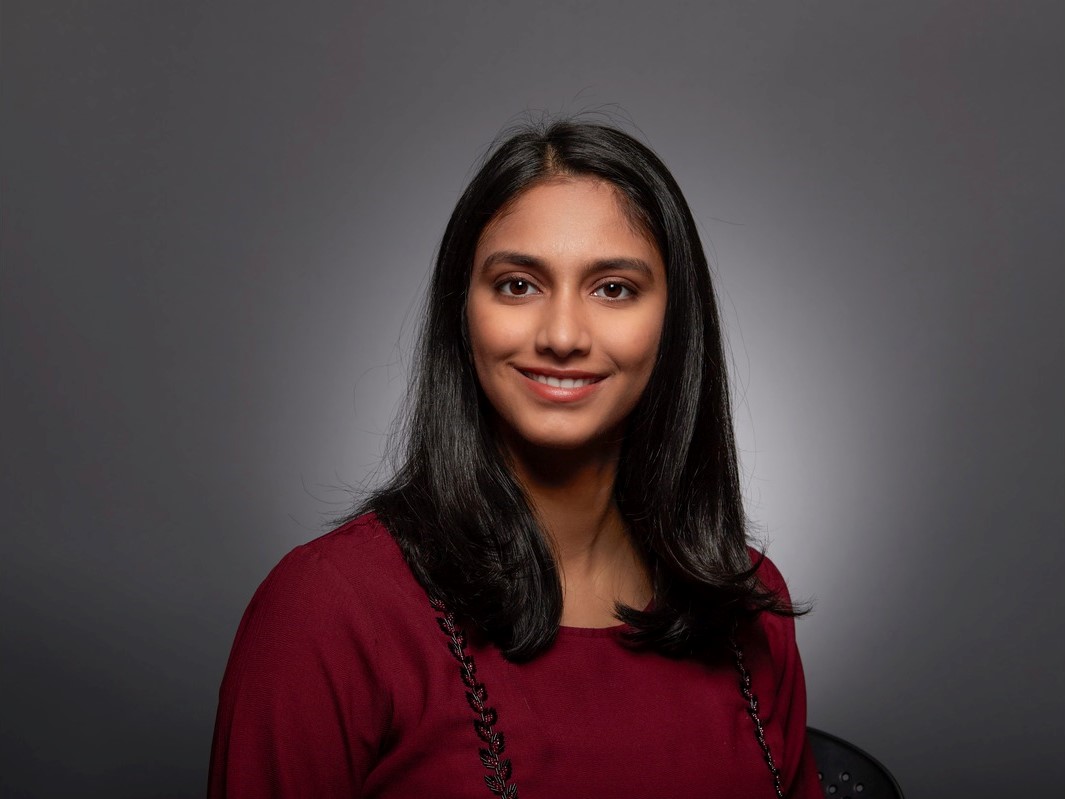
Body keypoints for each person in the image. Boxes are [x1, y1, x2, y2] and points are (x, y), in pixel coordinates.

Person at [208, 120, 822, 798]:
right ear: (462, 310)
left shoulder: (749, 606)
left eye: (613, 287)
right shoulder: (327, 612)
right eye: (517, 284)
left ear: (674, 322)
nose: (561, 335)